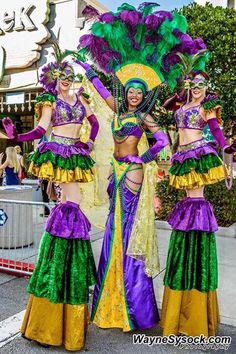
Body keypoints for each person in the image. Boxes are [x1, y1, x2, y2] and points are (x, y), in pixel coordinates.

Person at [75, 2, 205, 331]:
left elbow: (161, 142)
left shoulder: (145, 117)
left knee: (126, 231)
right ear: (126, 91)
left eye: (139, 92)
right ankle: (110, 302)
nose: (134, 95)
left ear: (143, 95)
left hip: (131, 174)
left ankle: (131, 307)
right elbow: (101, 87)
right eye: (130, 90)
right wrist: (84, 66)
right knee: (112, 233)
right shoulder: (117, 109)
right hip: (114, 173)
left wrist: (141, 159)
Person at [2, 57, 99, 351]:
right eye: (61, 76)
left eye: (69, 74)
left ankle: (66, 268)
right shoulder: (49, 101)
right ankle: (63, 275)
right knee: (70, 207)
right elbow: (41, 130)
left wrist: (91, 141)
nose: (66, 79)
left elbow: (93, 122)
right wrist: (17, 136)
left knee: (71, 206)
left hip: (76, 153)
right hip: (58, 151)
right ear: (53, 79)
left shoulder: (82, 98)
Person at [160, 65, 233, 337]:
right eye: (194, 82)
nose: (198, 87)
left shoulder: (208, 106)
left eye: (203, 83)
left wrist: (225, 146)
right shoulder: (181, 103)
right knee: (189, 200)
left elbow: (215, 129)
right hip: (182, 155)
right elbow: (170, 104)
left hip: (199, 153)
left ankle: (195, 239)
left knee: (196, 200)